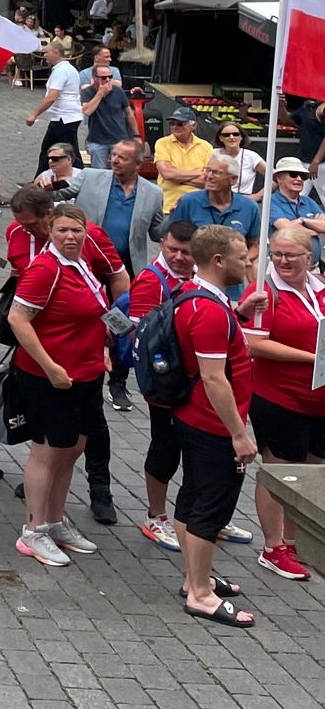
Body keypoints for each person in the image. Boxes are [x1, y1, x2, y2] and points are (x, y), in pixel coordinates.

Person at [6, 205, 129, 567]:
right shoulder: (44, 269)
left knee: (73, 446)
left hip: (86, 372)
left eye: (76, 230)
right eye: (62, 231)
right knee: (47, 451)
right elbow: (18, 318)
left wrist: (108, 344)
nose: (70, 237)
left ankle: (55, 522)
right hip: (51, 377)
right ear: (50, 230)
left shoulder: (83, 264)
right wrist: (50, 365)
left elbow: (96, 310)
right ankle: (33, 530)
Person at [171, 225, 267, 627]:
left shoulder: (198, 298)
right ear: (217, 261)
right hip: (211, 424)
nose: (248, 264)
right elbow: (214, 378)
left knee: (192, 497)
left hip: (191, 416)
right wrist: (239, 433)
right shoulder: (209, 311)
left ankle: (195, 577)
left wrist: (239, 314)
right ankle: (201, 594)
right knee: (209, 508)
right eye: (242, 258)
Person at [242, 226, 324, 580]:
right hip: (280, 397)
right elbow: (254, 344)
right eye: (277, 253)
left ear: (310, 257)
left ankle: (297, 541)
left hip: (318, 400)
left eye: (292, 254)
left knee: (311, 472)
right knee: (280, 472)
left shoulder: (320, 288)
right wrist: (311, 358)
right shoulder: (264, 291)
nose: (283, 260)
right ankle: (274, 546)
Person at [132, 218, 198, 550]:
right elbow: (142, 338)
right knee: (165, 447)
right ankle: (156, 515)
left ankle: (199, 516)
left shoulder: (195, 276)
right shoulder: (150, 280)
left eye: (186, 252)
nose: (179, 257)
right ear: (162, 244)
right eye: (173, 249)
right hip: (166, 383)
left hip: (193, 380)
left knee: (195, 449)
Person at [70, 138, 166, 276]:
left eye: (122, 158)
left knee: (125, 298)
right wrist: (47, 185)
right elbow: (58, 194)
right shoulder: (88, 177)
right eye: (114, 154)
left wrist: (173, 219)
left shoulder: (153, 193)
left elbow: (156, 234)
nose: (114, 160)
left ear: (138, 164)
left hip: (127, 265)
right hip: (90, 259)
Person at [24, 42, 84, 171]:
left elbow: (52, 96)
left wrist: (34, 114)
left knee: (69, 151)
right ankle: (38, 181)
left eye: (47, 52)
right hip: (63, 116)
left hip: (64, 117)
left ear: (56, 52)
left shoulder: (61, 71)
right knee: (48, 149)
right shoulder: (68, 69)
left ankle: (80, 178)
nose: (44, 56)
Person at [175, 155, 261, 243]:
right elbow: (175, 239)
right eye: (207, 170)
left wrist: (241, 257)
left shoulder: (249, 207)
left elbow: (254, 245)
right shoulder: (188, 202)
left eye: (216, 172)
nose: (209, 176)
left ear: (233, 179)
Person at [155, 106, 215, 216]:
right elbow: (167, 173)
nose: (175, 127)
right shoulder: (162, 143)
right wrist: (199, 172)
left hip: (198, 207)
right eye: (172, 123)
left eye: (180, 123)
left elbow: (208, 180)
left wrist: (176, 177)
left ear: (193, 126)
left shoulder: (206, 147)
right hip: (168, 208)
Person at [265, 155, 325, 260]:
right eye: (293, 175)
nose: (299, 179)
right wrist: (313, 230)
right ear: (279, 178)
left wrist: (303, 221)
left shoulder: (308, 201)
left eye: (302, 176)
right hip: (285, 268)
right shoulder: (271, 201)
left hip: (314, 268)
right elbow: (286, 228)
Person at [81, 62, 137, 170]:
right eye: (103, 77)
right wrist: (100, 93)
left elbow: (129, 113)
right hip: (97, 140)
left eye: (110, 77)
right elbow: (87, 111)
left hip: (119, 138)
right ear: (94, 78)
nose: (107, 80)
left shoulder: (118, 91)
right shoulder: (87, 92)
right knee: (99, 173)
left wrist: (136, 135)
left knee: (121, 171)